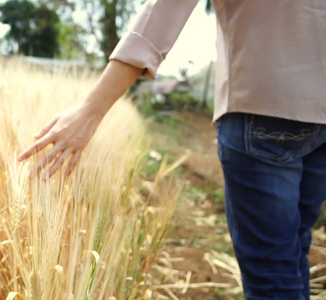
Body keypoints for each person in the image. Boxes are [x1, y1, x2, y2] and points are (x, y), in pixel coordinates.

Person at [17, 0, 326, 299]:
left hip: (260, 104)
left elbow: (165, 8)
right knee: (295, 244)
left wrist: (90, 110)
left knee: (273, 268)